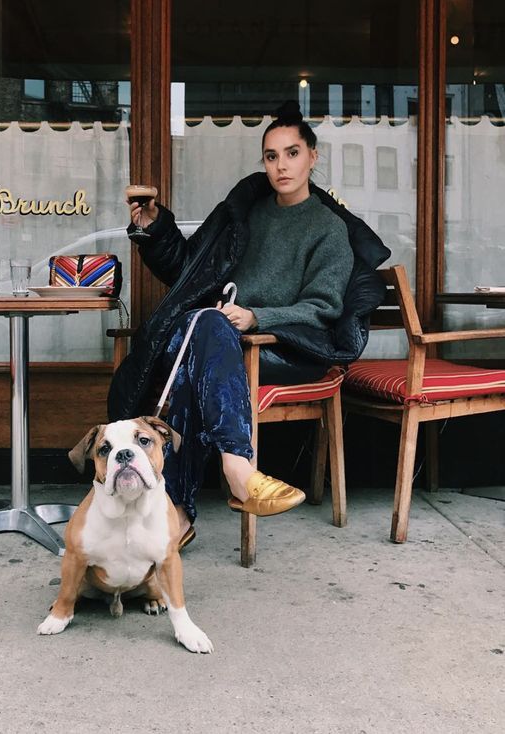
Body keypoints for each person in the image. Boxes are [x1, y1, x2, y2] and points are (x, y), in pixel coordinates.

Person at [108, 101, 390, 545]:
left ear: (313, 157)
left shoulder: (328, 229)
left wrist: (257, 316)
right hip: (216, 339)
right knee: (206, 331)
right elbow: (187, 269)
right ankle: (235, 475)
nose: (281, 165)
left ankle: (182, 511)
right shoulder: (245, 213)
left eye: (292, 153)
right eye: (272, 156)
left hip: (285, 347)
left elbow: (324, 306)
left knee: (198, 352)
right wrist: (154, 226)